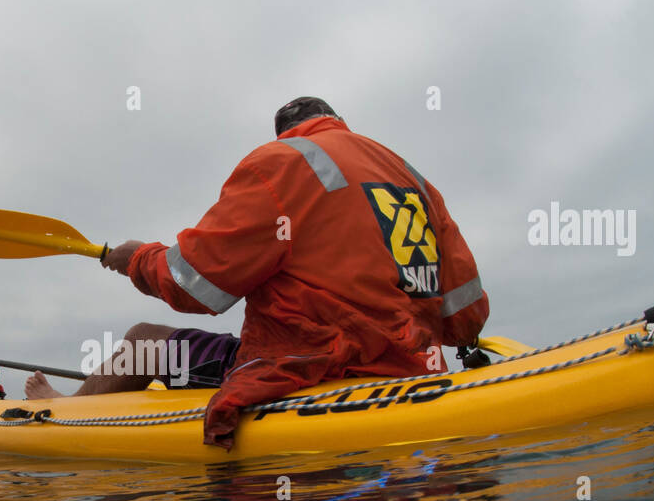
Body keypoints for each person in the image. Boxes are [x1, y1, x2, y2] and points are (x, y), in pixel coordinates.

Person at [25, 96, 490, 449]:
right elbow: (465, 319)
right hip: (413, 367)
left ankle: (67, 413)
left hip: (304, 368)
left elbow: (196, 284)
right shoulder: (413, 180)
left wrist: (135, 259)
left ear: (284, 132)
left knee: (144, 339)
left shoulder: (282, 162)